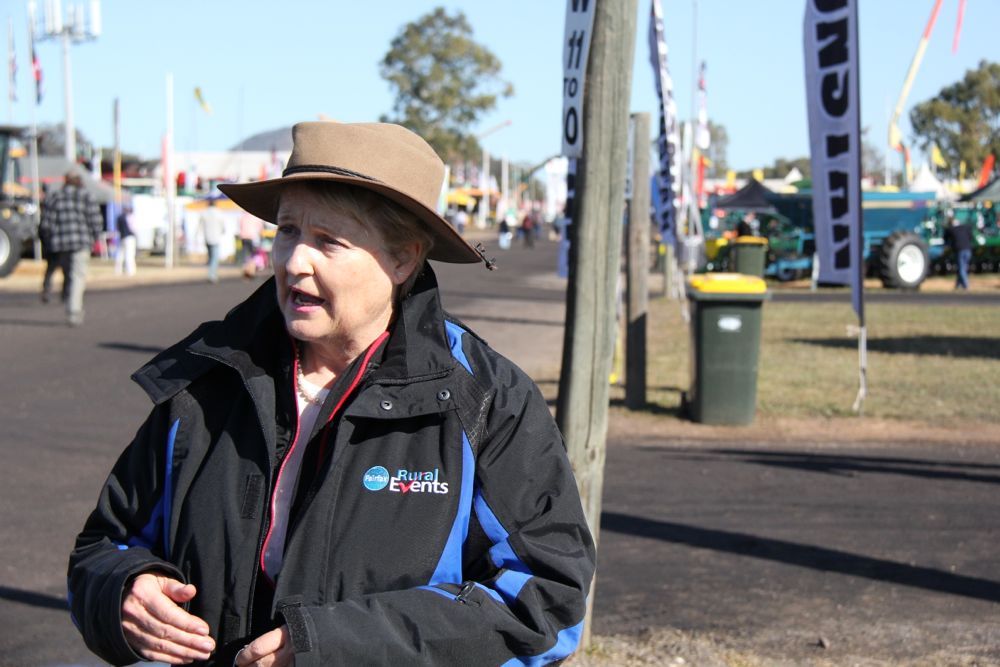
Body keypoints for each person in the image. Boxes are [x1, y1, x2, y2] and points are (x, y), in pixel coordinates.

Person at [68, 121, 595, 666]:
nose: (295, 261)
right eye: (288, 230)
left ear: (403, 260)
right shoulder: (207, 379)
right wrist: (124, 593)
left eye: (329, 242)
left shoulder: (486, 399)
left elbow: (547, 598)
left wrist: (336, 647)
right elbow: (104, 547)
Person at [37, 171, 103, 326]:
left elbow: (46, 224)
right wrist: (93, 239)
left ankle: (67, 299)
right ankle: (73, 311)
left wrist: (48, 241)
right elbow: (96, 222)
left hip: (60, 244)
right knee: (77, 276)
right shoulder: (87, 197)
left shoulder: (54, 197)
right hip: (81, 242)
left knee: (68, 274)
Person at [198, 198, 226, 283]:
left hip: (207, 238)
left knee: (211, 257)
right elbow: (223, 227)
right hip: (216, 238)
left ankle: (211, 274)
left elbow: (200, 226)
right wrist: (222, 231)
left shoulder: (204, 213)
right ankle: (212, 275)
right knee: (214, 257)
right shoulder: (219, 213)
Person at [943, 211, 973, 289]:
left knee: (961, 268)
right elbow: (970, 236)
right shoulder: (965, 227)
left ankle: (966, 286)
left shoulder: (951, 229)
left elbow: (945, 239)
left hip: (960, 250)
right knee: (963, 268)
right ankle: (958, 285)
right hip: (968, 249)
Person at [239, 211, 265, 278]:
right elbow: (260, 227)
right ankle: (251, 272)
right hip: (253, 237)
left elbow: (240, 225)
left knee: (245, 255)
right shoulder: (256, 216)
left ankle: (245, 271)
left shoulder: (243, 216)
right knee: (253, 255)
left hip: (243, 237)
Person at [115, 204, 137, 277]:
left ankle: (118, 270)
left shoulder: (119, 217)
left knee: (120, 254)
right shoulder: (129, 217)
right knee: (129, 254)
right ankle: (130, 270)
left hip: (122, 237)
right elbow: (132, 228)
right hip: (129, 237)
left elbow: (117, 228)